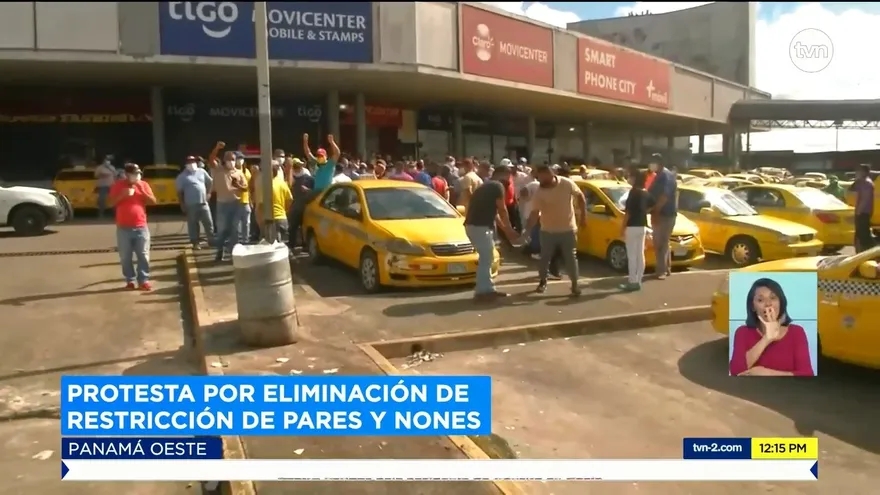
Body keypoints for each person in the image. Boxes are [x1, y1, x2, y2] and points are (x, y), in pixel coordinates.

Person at [523, 164, 588, 296]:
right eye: (538, 178)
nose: (540, 181)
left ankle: (575, 285)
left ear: (550, 175)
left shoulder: (566, 183)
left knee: (571, 258)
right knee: (544, 258)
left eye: (542, 178)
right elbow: (535, 213)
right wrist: (527, 231)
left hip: (568, 229)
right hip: (547, 231)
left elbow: (580, 197)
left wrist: (583, 217)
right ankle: (543, 281)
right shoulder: (539, 192)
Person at [729, 278, 815, 376]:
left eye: (773, 298)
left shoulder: (796, 332)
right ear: (753, 306)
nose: (768, 304)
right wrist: (766, 339)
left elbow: (807, 373)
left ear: (781, 303)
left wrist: (769, 373)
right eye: (760, 300)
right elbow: (735, 371)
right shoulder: (742, 332)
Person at [464, 167, 518, 302]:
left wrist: (505, 229)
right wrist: (510, 229)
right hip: (480, 227)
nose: (509, 179)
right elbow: (502, 209)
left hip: (474, 226)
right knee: (486, 259)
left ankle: (488, 289)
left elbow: (494, 215)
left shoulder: (485, 186)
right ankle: (483, 291)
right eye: (508, 175)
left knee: (486, 258)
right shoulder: (497, 186)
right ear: (502, 174)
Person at [107, 163, 156, 290]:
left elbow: (153, 201)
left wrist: (142, 190)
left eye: (138, 173)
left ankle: (144, 280)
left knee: (143, 255)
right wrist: (122, 195)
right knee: (125, 256)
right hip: (123, 227)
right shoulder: (118, 186)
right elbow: (110, 203)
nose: (136, 176)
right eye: (133, 173)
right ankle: (130, 280)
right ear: (127, 174)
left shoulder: (144, 185)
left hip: (141, 226)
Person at [213, 151, 248, 262]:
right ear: (224, 160)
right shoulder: (219, 170)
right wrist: (217, 148)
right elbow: (211, 159)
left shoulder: (239, 173)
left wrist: (237, 185)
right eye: (228, 159)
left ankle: (234, 254)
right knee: (222, 229)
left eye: (233, 159)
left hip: (235, 203)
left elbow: (245, 188)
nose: (231, 162)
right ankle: (220, 252)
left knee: (234, 229)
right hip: (222, 204)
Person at [647, 154, 677, 279]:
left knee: (660, 243)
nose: (652, 164)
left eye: (654, 162)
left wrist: (656, 212)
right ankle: (666, 268)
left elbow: (664, 197)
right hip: (661, 213)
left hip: (665, 215)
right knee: (663, 243)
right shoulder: (658, 176)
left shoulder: (666, 176)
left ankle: (661, 271)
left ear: (661, 163)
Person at [175, 156, 214, 249]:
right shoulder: (182, 176)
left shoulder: (202, 172)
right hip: (191, 204)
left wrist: (209, 193)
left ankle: (211, 240)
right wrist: (182, 204)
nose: (192, 163)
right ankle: (195, 242)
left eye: (193, 161)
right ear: (186, 164)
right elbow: (179, 192)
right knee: (193, 224)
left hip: (204, 202)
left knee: (208, 222)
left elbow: (210, 182)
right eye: (189, 162)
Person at [619, 168, 649, 291]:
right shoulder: (644, 192)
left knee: (632, 255)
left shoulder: (633, 192)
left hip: (632, 227)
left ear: (635, 178)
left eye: (630, 176)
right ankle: (639, 280)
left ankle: (632, 281)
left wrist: (622, 227)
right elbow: (652, 204)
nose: (628, 178)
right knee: (640, 254)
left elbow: (628, 212)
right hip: (642, 226)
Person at [255, 161, 294, 243]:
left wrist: (259, 220)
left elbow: (261, 205)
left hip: (270, 221)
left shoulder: (266, 185)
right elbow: (289, 200)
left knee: (270, 248)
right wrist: (284, 211)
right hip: (282, 219)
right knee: (281, 246)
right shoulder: (282, 183)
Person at [286, 158, 315, 249]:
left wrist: (308, 190)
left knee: (305, 227)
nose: (298, 168)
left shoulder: (309, 178)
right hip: (294, 208)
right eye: (296, 166)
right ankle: (292, 244)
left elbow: (315, 192)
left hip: (306, 208)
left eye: (299, 165)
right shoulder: (290, 178)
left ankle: (305, 245)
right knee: (293, 228)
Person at [849, 164, 875, 253]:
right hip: (861, 211)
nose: (857, 172)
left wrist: (859, 211)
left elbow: (865, 198)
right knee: (860, 233)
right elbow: (852, 190)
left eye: (859, 171)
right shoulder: (862, 182)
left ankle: (868, 252)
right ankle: (862, 252)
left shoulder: (867, 183)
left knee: (863, 234)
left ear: (864, 172)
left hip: (863, 212)